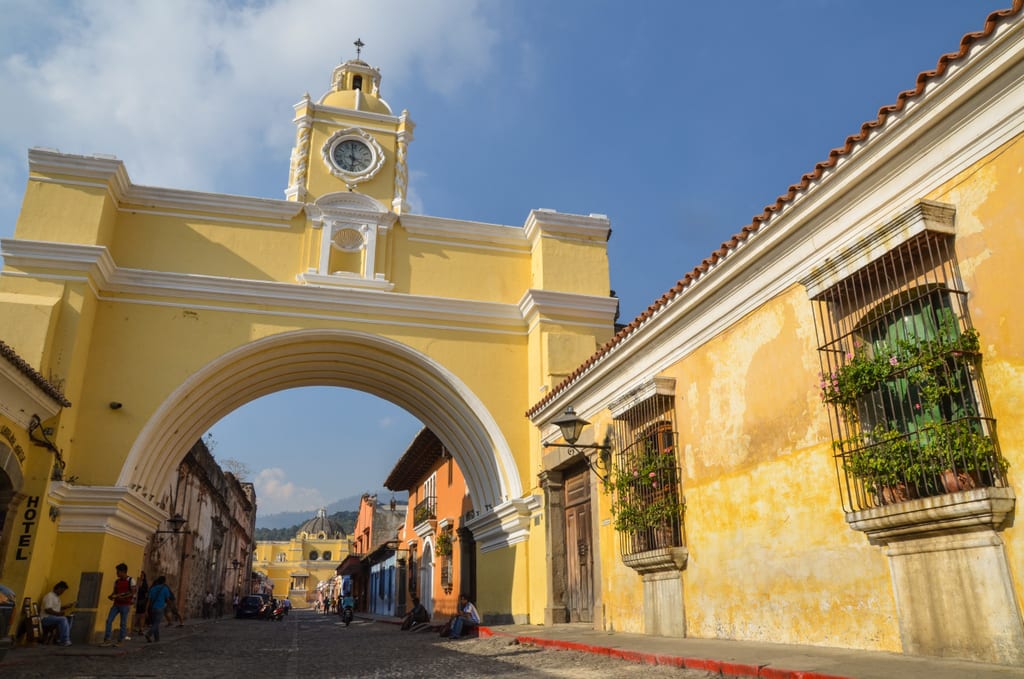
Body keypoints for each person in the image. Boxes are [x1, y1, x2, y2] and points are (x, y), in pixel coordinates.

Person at [101, 563, 136, 646]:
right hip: (116, 604)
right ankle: (107, 639)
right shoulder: (117, 581)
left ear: (123, 572)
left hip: (125, 605)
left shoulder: (131, 580)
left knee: (123, 623)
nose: (117, 573)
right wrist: (111, 596)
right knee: (109, 620)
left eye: (118, 572)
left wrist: (122, 597)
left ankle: (120, 641)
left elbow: (133, 592)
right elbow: (114, 592)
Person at [41, 581, 73, 647]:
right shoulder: (49, 596)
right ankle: (64, 640)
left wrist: (65, 607)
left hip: (53, 617)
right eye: (61, 590)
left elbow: (55, 608)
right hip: (45, 618)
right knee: (63, 619)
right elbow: (47, 610)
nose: (62, 592)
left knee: (69, 618)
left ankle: (59, 639)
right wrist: (58, 614)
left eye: (63, 591)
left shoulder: (57, 597)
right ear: (57, 588)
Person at [145, 576, 174, 642]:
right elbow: (167, 599)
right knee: (157, 623)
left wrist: (146, 610)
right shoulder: (165, 589)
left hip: (152, 608)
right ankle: (149, 633)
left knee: (155, 623)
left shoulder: (153, 589)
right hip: (160, 608)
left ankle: (157, 638)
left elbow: (148, 600)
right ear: (164, 581)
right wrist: (170, 606)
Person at [133, 571, 149, 636]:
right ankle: (133, 627)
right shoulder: (136, 582)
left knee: (142, 615)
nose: (141, 577)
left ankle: (141, 629)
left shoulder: (145, 584)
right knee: (136, 615)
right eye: (140, 575)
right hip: (137, 601)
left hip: (142, 601)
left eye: (142, 576)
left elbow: (146, 593)